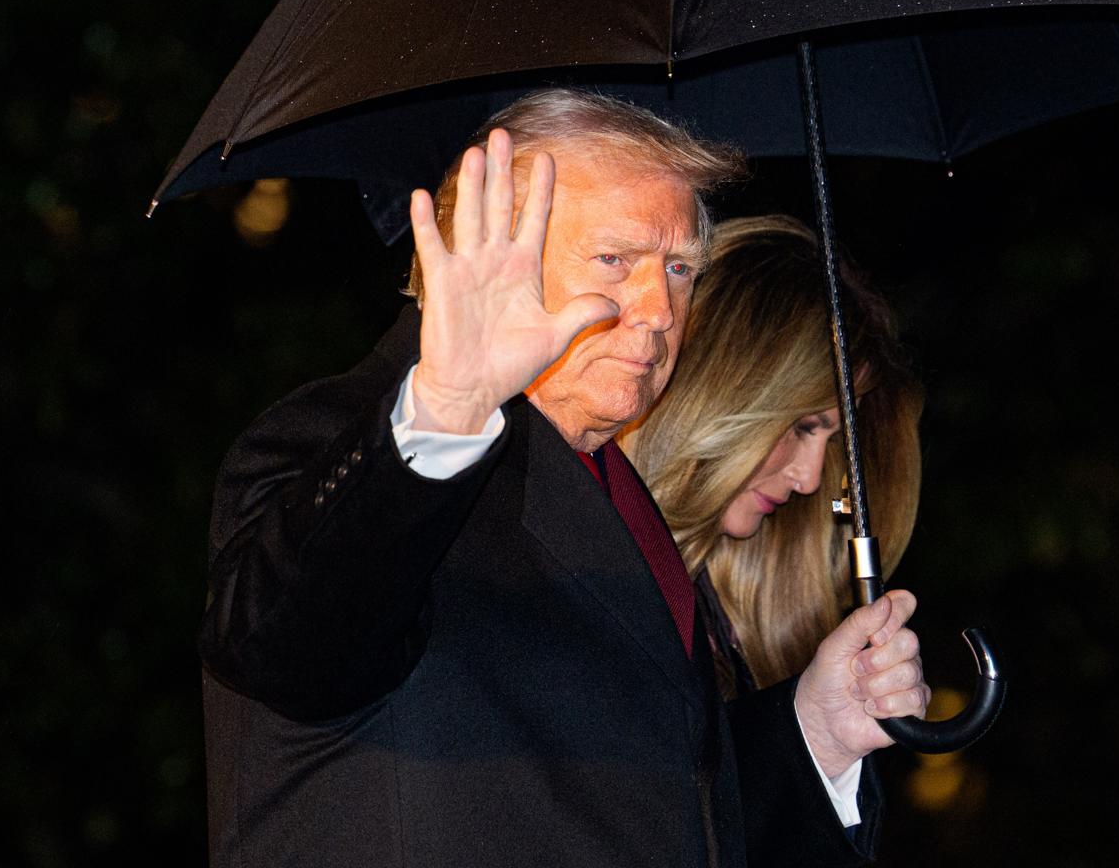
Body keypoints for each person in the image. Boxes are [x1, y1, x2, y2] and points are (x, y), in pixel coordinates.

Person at [198, 89, 929, 868]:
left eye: (680, 268)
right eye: (615, 260)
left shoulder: (614, 487)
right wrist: (448, 408)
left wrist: (812, 733)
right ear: (489, 255)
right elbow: (288, 652)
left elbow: (633, 804)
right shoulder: (352, 439)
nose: (657, 310)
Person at [623, 215, 922, 700]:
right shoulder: (593, 577)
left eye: (829, 441)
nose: (808, 480)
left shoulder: (720, 618)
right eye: (803, 427)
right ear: (720, 387)